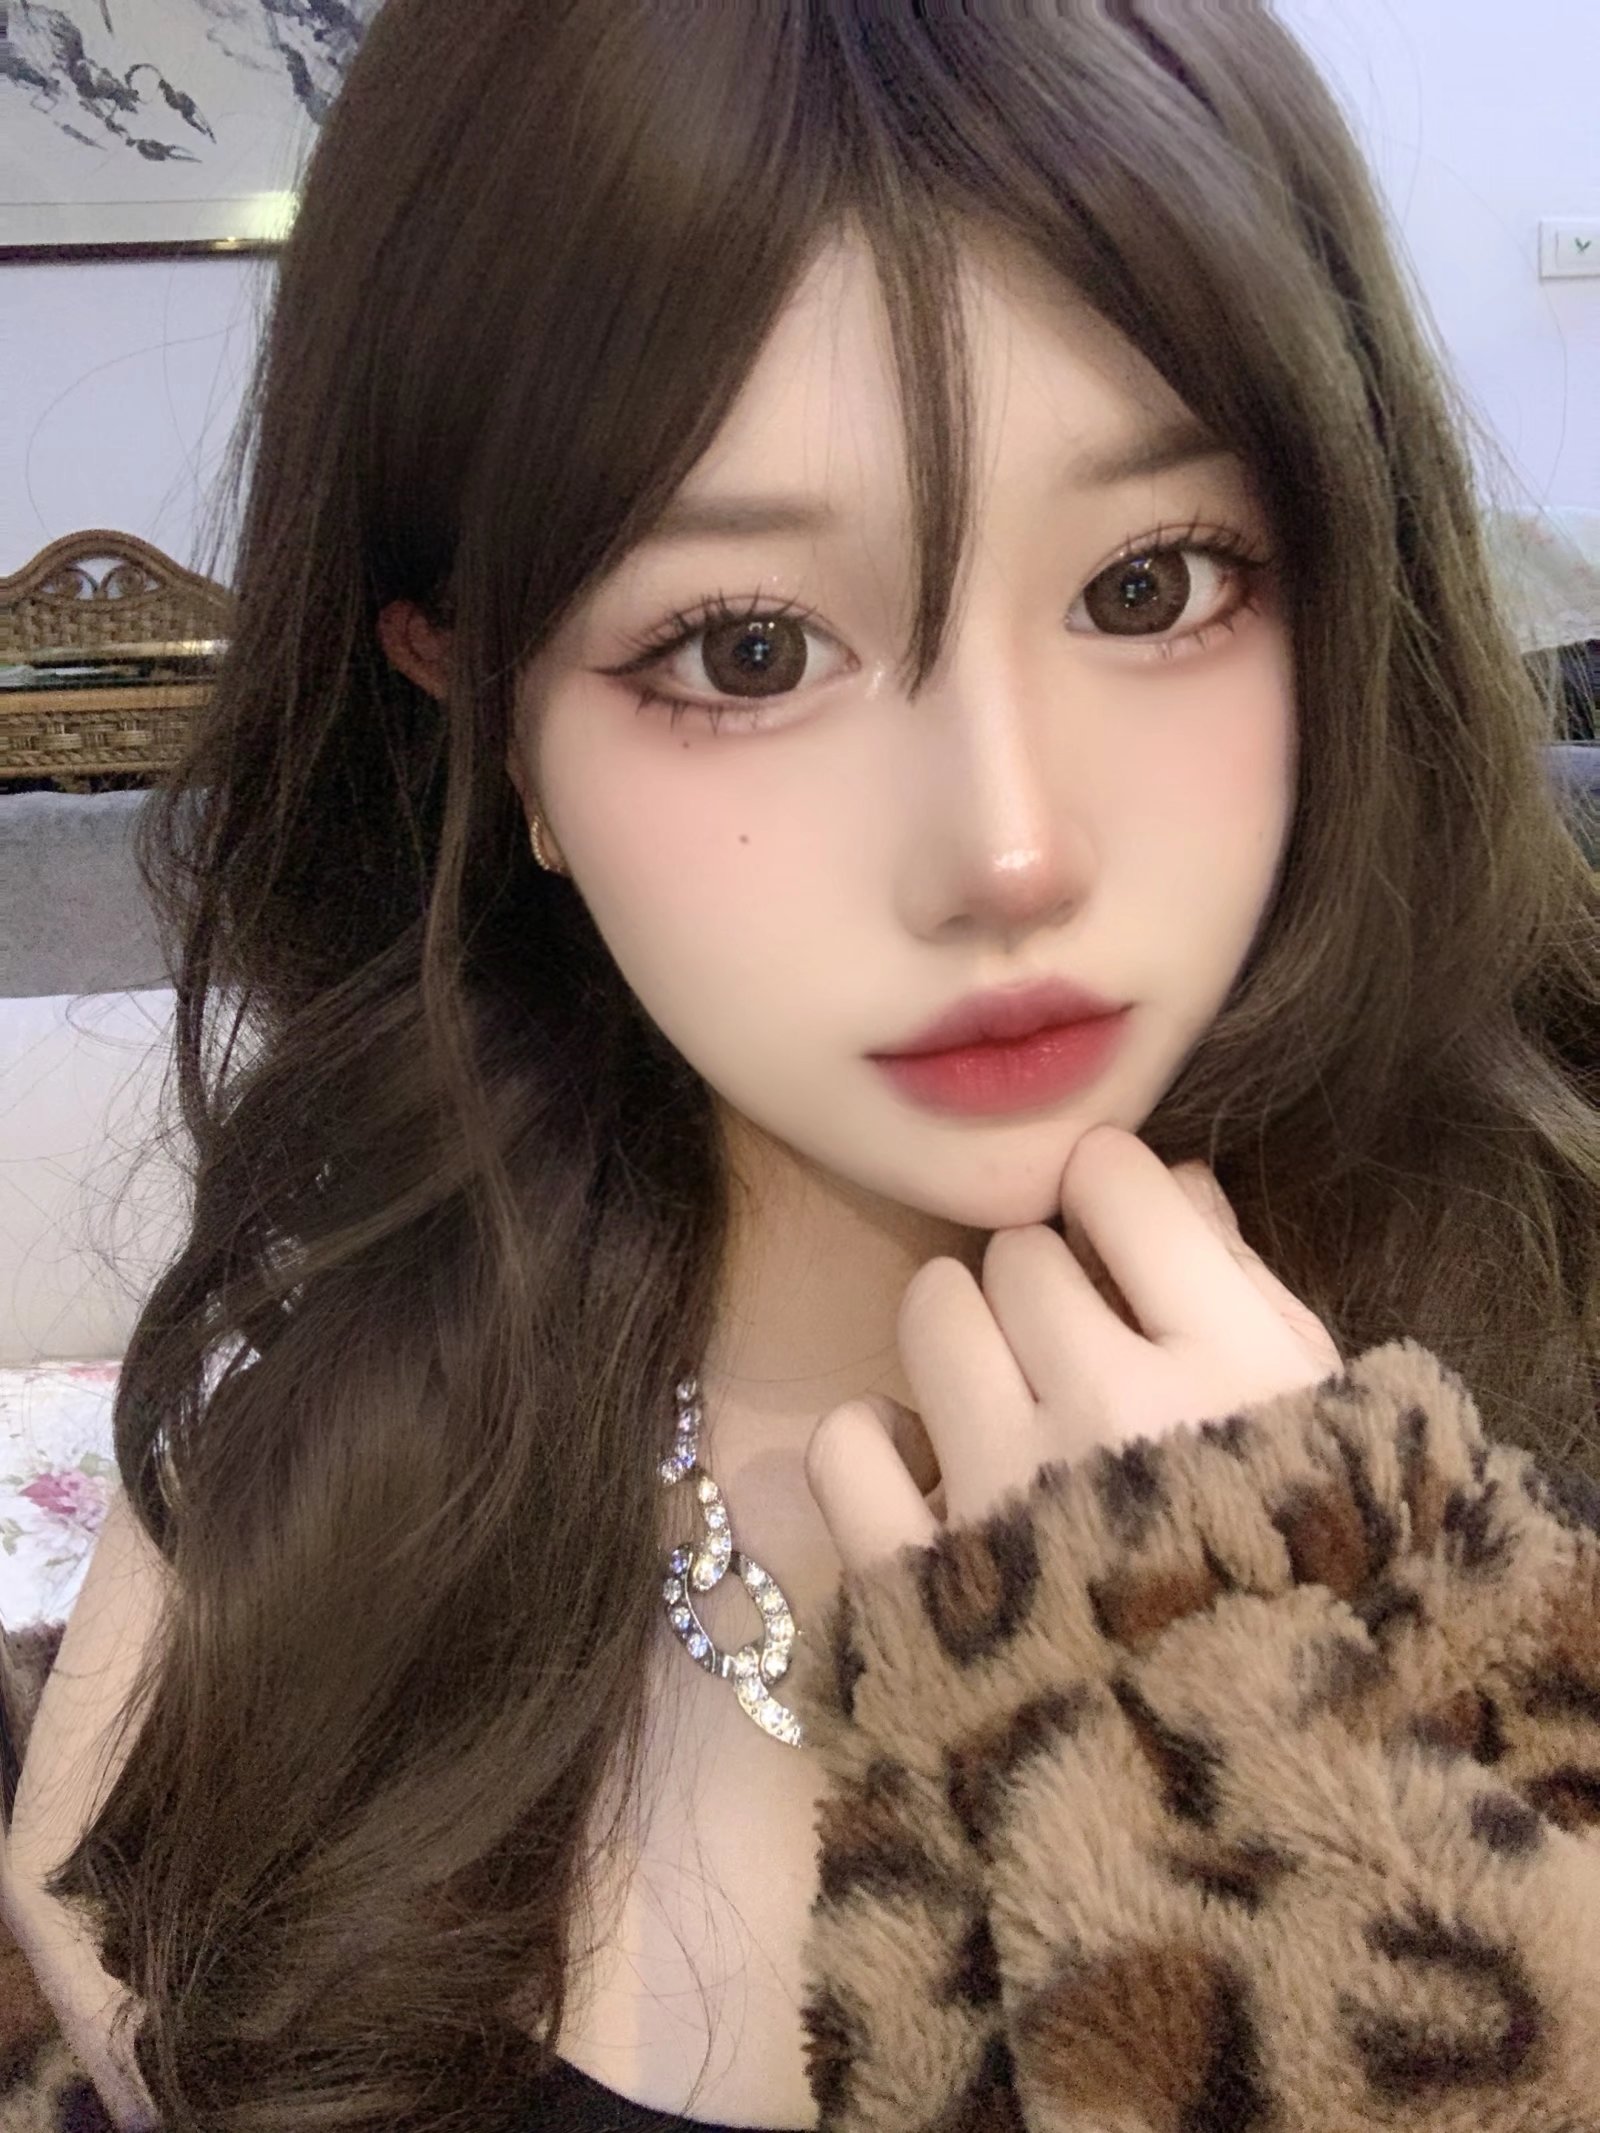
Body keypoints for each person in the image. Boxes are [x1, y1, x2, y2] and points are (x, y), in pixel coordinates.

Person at [2, 2, 1596, 2128]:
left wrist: (1294, 1796)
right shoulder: (286, 1541)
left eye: (1150, 584)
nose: (1007, 849)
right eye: (746, 647)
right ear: (483, 712)